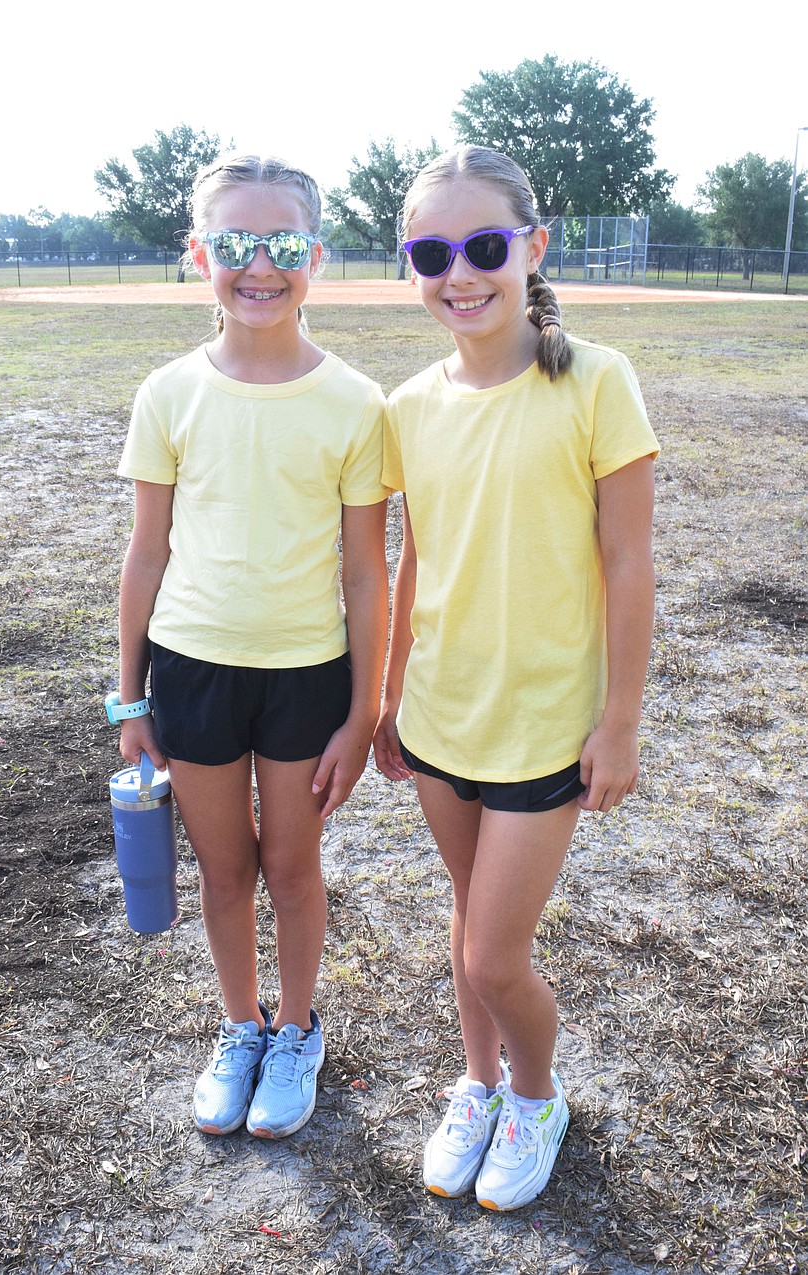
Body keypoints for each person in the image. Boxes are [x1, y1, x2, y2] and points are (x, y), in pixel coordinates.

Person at [374, 146, 659, 1211]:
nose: (461, 272)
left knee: (495, 956)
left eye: (484, 246)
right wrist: (388, 698)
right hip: (442, 714)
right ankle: (479, 1083)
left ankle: (536, 1096)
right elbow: (414, 560)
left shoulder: (595, 380)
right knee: (466, 923)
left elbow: (628, 562)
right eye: (432, 251)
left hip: (545, 724)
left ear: (532, 248)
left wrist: (619, 720)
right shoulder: (408, 405)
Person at [112, 153, 390, 1141]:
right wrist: (129, 700)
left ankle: (298, 1028)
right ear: (199, 256)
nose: (259, 266)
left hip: (306, 679)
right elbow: (146, 556)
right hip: (191, 673)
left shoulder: (357, 403)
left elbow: (366, 573)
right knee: (224, 872)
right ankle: (240, 1027)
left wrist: (363, 714)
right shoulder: (169, 393)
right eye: (234, 244)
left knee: (291, 868)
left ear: (316, 256)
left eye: (282, 245)